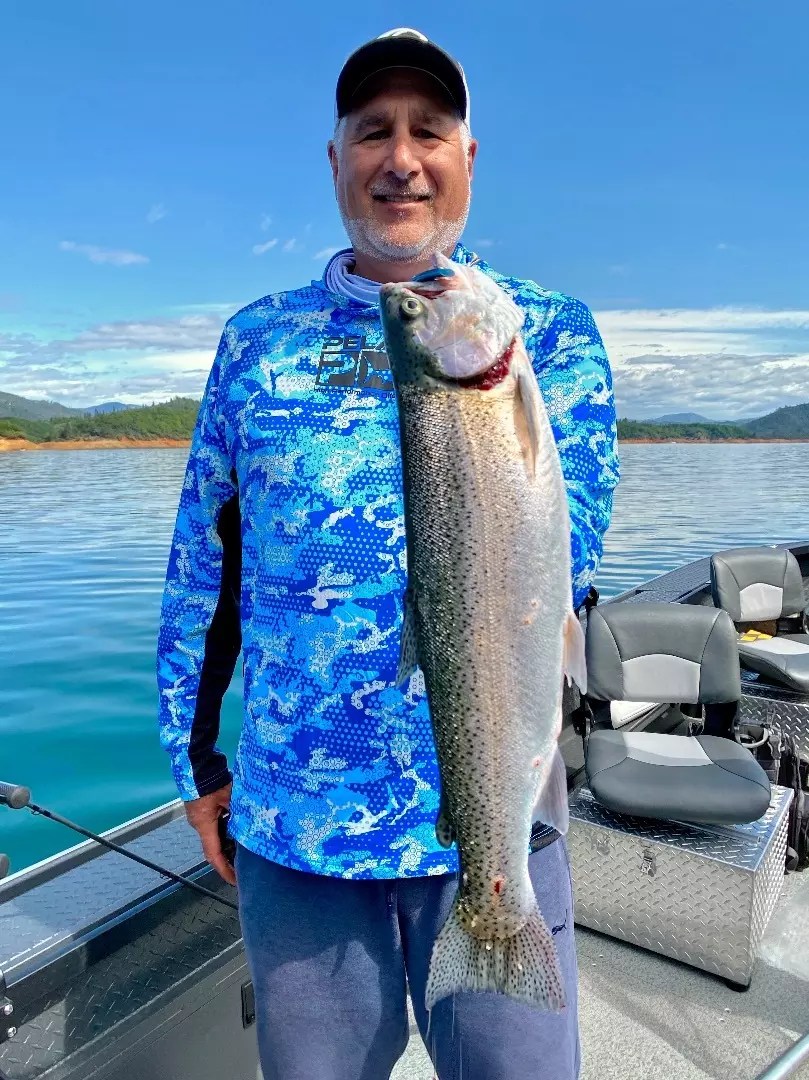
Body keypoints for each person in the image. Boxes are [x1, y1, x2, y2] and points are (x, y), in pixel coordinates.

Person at [157, 27, 619, 1080]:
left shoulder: (547, 332)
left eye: (428, 129)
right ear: (335, 160)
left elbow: (567, 548)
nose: (400, 158)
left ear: (467, 158)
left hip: (497, 822)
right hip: (299, 826)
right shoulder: (257, 341)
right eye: (372, 131)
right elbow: (201, 567)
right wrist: (196, 762)